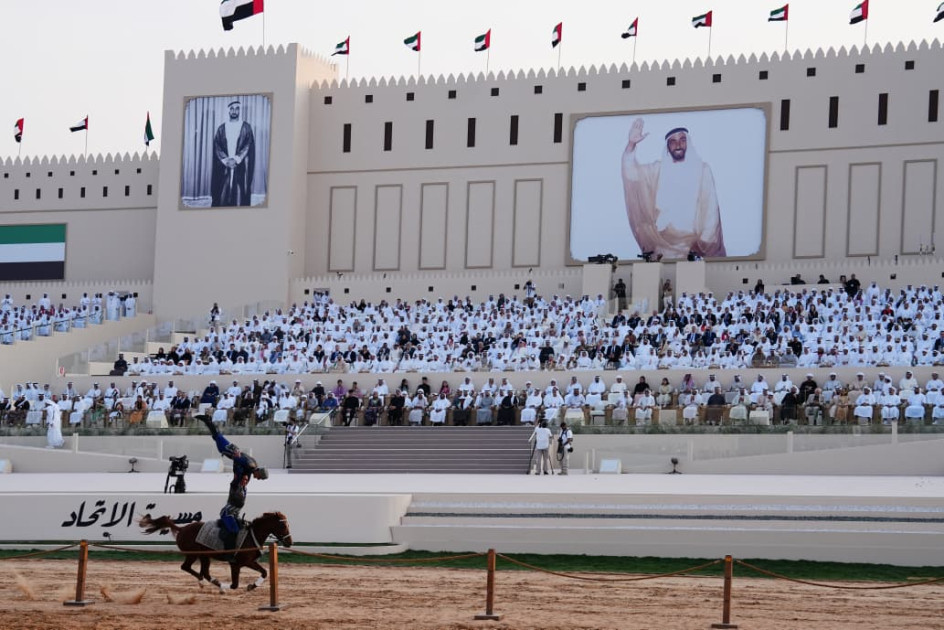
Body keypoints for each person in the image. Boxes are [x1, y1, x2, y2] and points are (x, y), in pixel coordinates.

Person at [621, 119, 726, 259]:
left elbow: (711, 211)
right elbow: (632, 174)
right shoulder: (658, 170)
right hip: (663, 248)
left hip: (693, 249)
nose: (678, 145)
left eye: (682, 140)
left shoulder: (702, 170)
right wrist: (631, 145)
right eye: (673, 141)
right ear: (668, 146)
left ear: (687, 142)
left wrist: (704, 243)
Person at [198, 416, 268, 557]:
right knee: (218, 439)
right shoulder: (249, 466)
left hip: (235, 460)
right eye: (259, 477)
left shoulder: (250, 467)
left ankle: (209, 422)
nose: (257, 479)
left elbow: (240, 461)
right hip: (234, 456)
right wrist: (234, 457)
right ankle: (229, 552)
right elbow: (238, 457)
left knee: (217, 438)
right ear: (259, 472)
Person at [211, 99, 256, 207]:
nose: (234, 111)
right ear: (229, 111)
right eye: (232, 109)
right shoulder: (221, 128)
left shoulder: (246, 127)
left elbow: (248, 145)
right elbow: (217, 146)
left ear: (239, 111)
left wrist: (237, 159)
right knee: (222, 190)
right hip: (225, 164)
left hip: (240, 163)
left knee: (240, 192)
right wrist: (226, 160)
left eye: (237, 109)